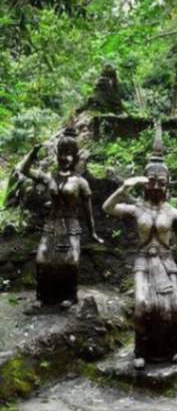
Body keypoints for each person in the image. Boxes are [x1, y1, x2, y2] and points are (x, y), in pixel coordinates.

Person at [103, 122, 177, 369]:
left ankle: (176, 347)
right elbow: (107, 208)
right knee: (143, 305)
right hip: (143, 260)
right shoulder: (136, 208)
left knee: (171, 307)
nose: (156, 185)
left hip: (166, 261)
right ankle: (140, 350)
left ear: (168, 183)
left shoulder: (174, 213)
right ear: (145, 183)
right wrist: (123, 189)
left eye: (161, 181)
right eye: (151, 180)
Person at [16, 120, 103, 309]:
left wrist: (93, 232)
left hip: (71, 226)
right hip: (51, 225)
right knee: (43, 259)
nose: (65, 158)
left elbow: (88, 210)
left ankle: (70, 296)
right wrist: (33, 153)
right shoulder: (49, 178)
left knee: (70, 262)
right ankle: (43, 296)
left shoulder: (80, 182)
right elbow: (23, 170)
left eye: (69, 154)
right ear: (57, 155)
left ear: (75, 156)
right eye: (62, 153)